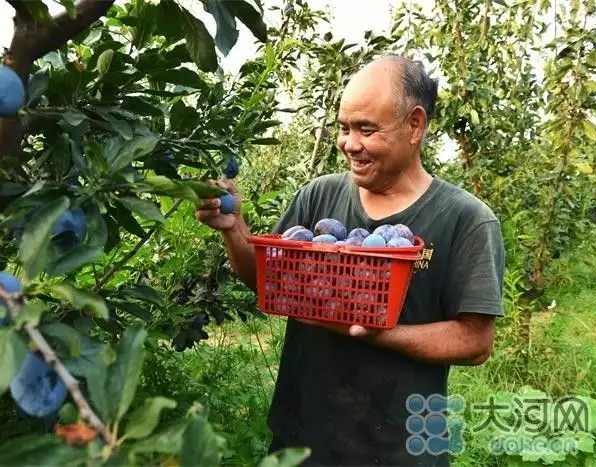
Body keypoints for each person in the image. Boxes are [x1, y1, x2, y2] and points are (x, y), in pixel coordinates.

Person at [195, 55, 505, 466]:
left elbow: (475, 341)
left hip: (401, 449)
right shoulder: (319, 196)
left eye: (366, 129)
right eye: (344, 128)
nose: (349, 144)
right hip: (303, 436)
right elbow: (269, 282)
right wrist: (235, 229)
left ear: (415, 125)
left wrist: (373, 331)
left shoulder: (465, 219)